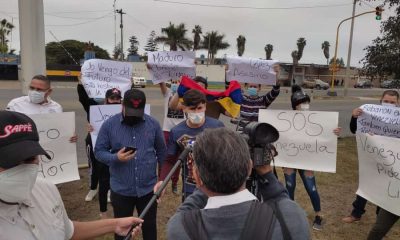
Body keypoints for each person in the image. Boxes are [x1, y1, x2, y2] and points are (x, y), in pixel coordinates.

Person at [0, 110, 142, 239]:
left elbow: (68, 230)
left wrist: (114, 225)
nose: (22, 170)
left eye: (30, 159)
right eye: (9, 161)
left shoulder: (46, 189)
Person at [167, 128, 310, 239]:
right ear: (249, 167)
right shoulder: (291, 218)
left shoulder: (181, 228)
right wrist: (266, 173)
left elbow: (185, 210)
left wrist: (204, 179)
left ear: (197, 177)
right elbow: (281, 202)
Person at [95, 89, 166, 240]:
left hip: (148, 189)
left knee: (149, 227)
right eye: (131, 111)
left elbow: (162, 152)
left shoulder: (153, 124)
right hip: (121, 190)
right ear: (122, 105)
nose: (134, 116)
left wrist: (162, 179)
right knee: (122, 230)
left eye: (137, 112)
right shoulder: (109, 125)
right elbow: (99, 151)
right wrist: (116, 158)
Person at [283, 85, 341, 231]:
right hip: (290, 159)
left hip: (307, 158)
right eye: (301, 103)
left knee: (311, 187)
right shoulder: (285, 118)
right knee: (290, 186)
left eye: (306, 102)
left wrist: (334, 131)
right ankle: (291, 214)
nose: (304, 105)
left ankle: (319, 214)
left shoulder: (316, 119)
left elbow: (325, 133)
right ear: (294, 105)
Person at [155, 89, 225, 201]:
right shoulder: (177, 131)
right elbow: (170, 160)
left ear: (205, 107)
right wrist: (162, 180)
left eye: (200, 108)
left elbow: (227, 154)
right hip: (191, 188)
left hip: (216, 187)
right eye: (192, 109)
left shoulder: (217, 126)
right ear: (185, 108)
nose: (197, 112)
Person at [342, 90, 400, 224]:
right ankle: (356, 213)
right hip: (371, 158)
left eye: (392, 102)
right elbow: (354, 130)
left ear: (397, 104)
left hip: (391, 161)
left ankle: (380, 219)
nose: (389, 104)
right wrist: (354, 117)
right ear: (381, 101)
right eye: (386, 101)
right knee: (365, 185)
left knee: (385, 189)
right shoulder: (369, 114)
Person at [77, 77, 122, 217]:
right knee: (94, 168)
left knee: (111, 170)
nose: (114, 101)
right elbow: (83, 98)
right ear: (106, 98)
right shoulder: (94, 108)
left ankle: (109, 190)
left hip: (113, 146)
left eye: (117, 98)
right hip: (93, 142)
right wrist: (80, 84)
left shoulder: (123, 110)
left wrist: (130, 84)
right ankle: (92, 188)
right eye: (111, 98)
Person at [6, 74, 77, 143]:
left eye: (39, 89)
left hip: (49, 150)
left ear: (49, 91)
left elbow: (60, 129)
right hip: (24, 150)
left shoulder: (56, 107)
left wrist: (69, 136)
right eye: (32, 88)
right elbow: (5, 129)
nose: (34, 91)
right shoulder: (15, 104)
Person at [159, 80, 185, 194]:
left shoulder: (186, 95)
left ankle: (174, 183)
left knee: (178, 159)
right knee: (165, 158)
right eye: (174, 81)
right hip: (167, 130)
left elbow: (181, 107)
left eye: (178, 82)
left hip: (181, 131)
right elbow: (161, 83)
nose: (176, 83)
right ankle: (161, 182)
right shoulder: (168, 93)